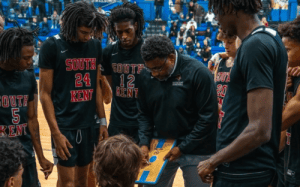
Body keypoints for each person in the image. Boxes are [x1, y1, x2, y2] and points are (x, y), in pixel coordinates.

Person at [198, 1, 288, 187]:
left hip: (244, 172)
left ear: (231, 7)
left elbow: (260, 130)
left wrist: (213, 160)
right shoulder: (267, 37)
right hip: (246, 169)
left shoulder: (255, 46)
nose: (216, 18)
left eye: (217, 11)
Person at [38, 2, 108, 187]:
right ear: (71, 26)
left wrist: (102, 121)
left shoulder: (95, 46)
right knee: (67, 183)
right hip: (64, 127)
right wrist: (55, 133)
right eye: (83, 32)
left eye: (90, 33)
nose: (87, 37)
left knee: (82, 181)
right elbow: (44, 93)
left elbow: (97, 87)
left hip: (88, 125)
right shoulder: (52, 46)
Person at [139, 36, 218, 187]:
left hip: (197, 146)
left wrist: (182, 148)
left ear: (170, 57)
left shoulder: (198, 73)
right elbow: (144, 113)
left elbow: (208, 118)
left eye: (158, 68)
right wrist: (143, 142)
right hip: (162, 145)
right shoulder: (146, 75)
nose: (154, 74)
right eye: (150, 69)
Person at [0, 27, 54, 187]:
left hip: (25, 155)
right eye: (26, 58)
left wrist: (41, 156)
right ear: (11, 55)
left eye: (32, 56)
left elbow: (32, 120)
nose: (30, 62)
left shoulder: (28, 76)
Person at [101, 2, 145, 143]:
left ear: (136, 26)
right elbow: (110, 84)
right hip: (117, 121)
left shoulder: (147, 50)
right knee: (116, 163)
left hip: (143, 121)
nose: (124, 36)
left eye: (128, 31)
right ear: (114, 30)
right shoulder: (109, 52)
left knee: (141, 163)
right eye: (119, 32)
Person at [278, 15, 300, 187]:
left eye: (288, 50)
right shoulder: (293, 74)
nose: (283, 55)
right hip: (290, 158)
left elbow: (283, 121)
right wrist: (286, 90)